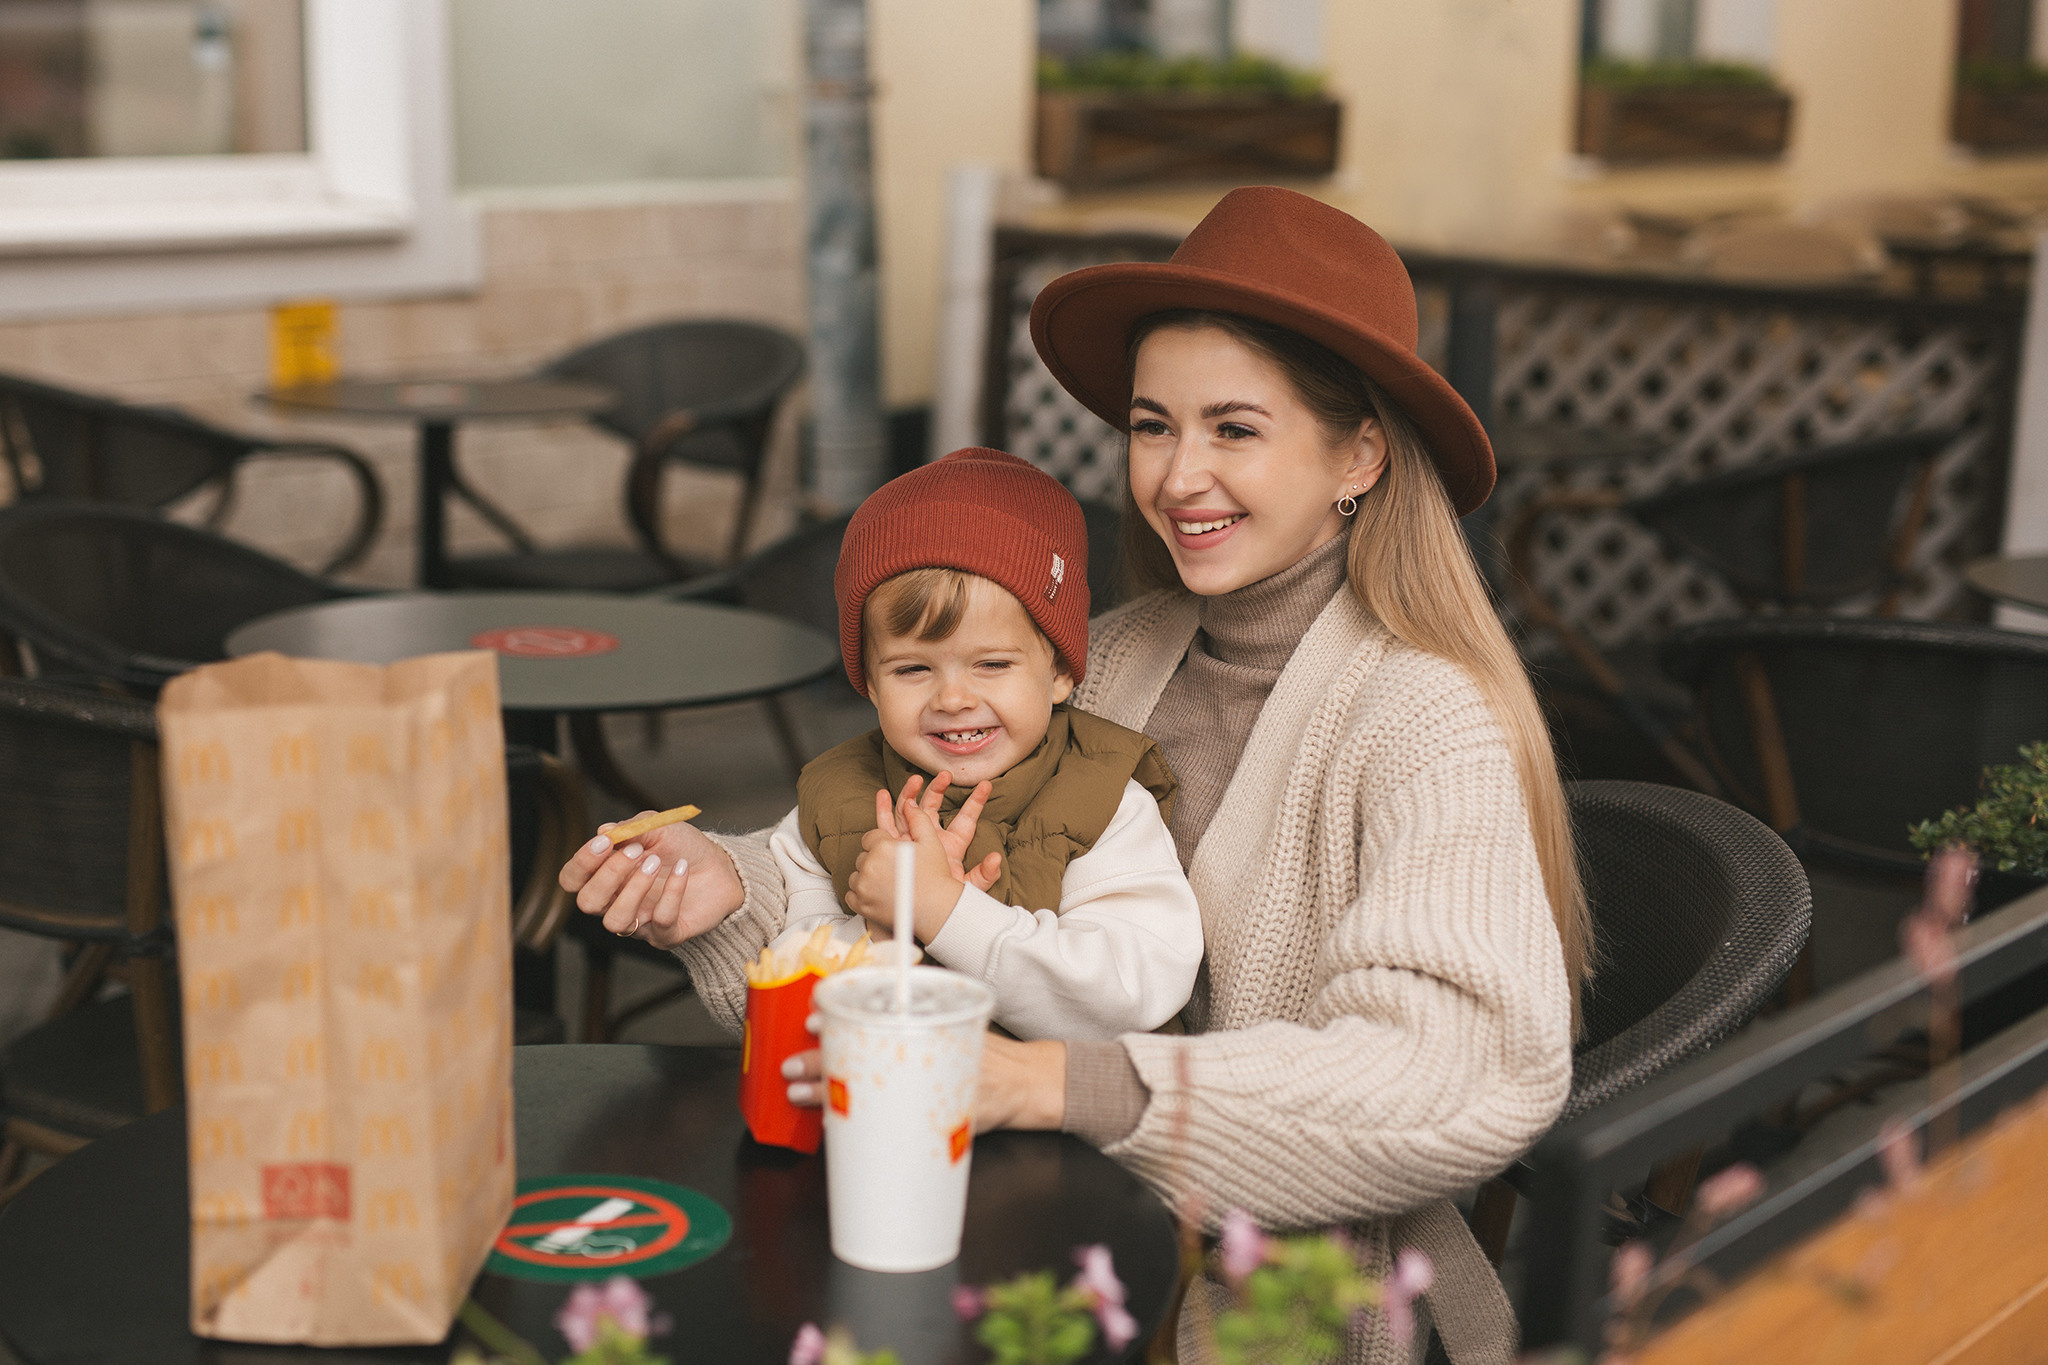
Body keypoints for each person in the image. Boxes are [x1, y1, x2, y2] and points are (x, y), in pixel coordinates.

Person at [562, 187, 1589, 1365]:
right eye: (1153, 426)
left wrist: (1052, 1085)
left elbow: (1458, 1072)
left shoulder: (1424, 716)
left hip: (1275, 1309)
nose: (1177, 477)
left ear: (1358, 453)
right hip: (1025, 1241)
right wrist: (727, 890)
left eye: (1233, 430)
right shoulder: (1114, 654)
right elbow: (911, 875)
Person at [575, 446, 1201, 1042]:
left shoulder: (1106, 799)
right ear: (870, 684)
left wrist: (943, 911)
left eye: (991, 665)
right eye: (912, 670)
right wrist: (875, 935)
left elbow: (1130, 993)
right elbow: (792, 983)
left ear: (1061, 672)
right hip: (882, 1102)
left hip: (1063, 1135)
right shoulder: (837, 795)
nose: (952, 698)